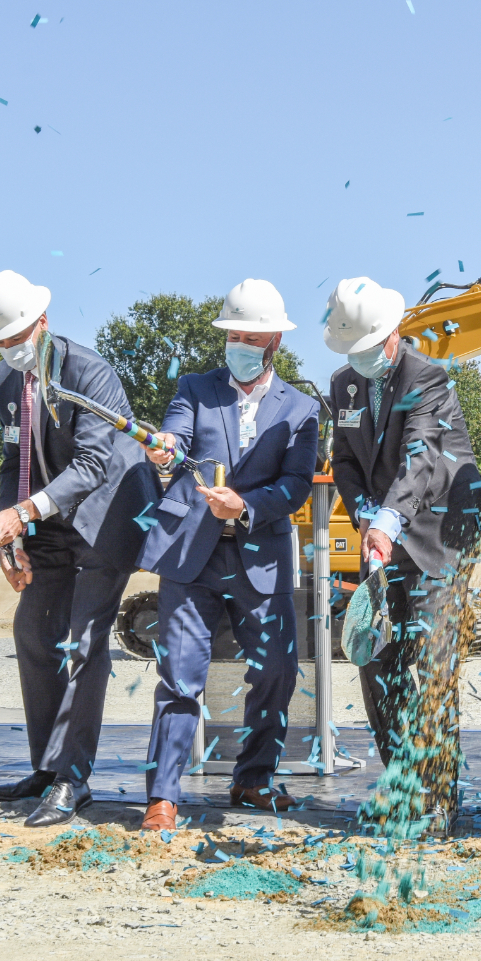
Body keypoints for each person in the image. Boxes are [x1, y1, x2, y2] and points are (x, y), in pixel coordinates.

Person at [0, 269, 159, 828]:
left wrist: (26, 512)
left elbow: (94, 463)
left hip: (106, 521)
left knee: (83, 643)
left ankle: (73, 780)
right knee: (33, 631)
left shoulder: (90, 372)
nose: (8, 349)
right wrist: (15, 539)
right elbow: (15, 462)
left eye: (16, 337)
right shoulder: (3, 383)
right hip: (47, 522)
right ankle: (47, 765)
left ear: (42, 322)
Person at [136, 280, 320, 831]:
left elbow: (296, 485)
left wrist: (244, 506)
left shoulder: (304, 409)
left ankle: (253, 779)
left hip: (260, 559)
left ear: (274, 344)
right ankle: (163, 797)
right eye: (233, 334)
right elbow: (175, 437)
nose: (239, 343)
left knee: (277, 671)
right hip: (190, 558)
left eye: (250, 336)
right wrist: (164, 449)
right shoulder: (194, 388)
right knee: (180, 677)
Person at [324, 276, 481, 831]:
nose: (361, 358)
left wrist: (389, 518)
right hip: (383, 536)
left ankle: (440, 800)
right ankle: (403, 788)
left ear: (393, 336)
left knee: (431, 667)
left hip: (440, 535)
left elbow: (421, 454)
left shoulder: (428, 377)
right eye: (353, 350)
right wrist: (367, 515)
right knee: (376, 661)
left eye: (370, 347)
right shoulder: (343, 383)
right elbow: (345, 460)